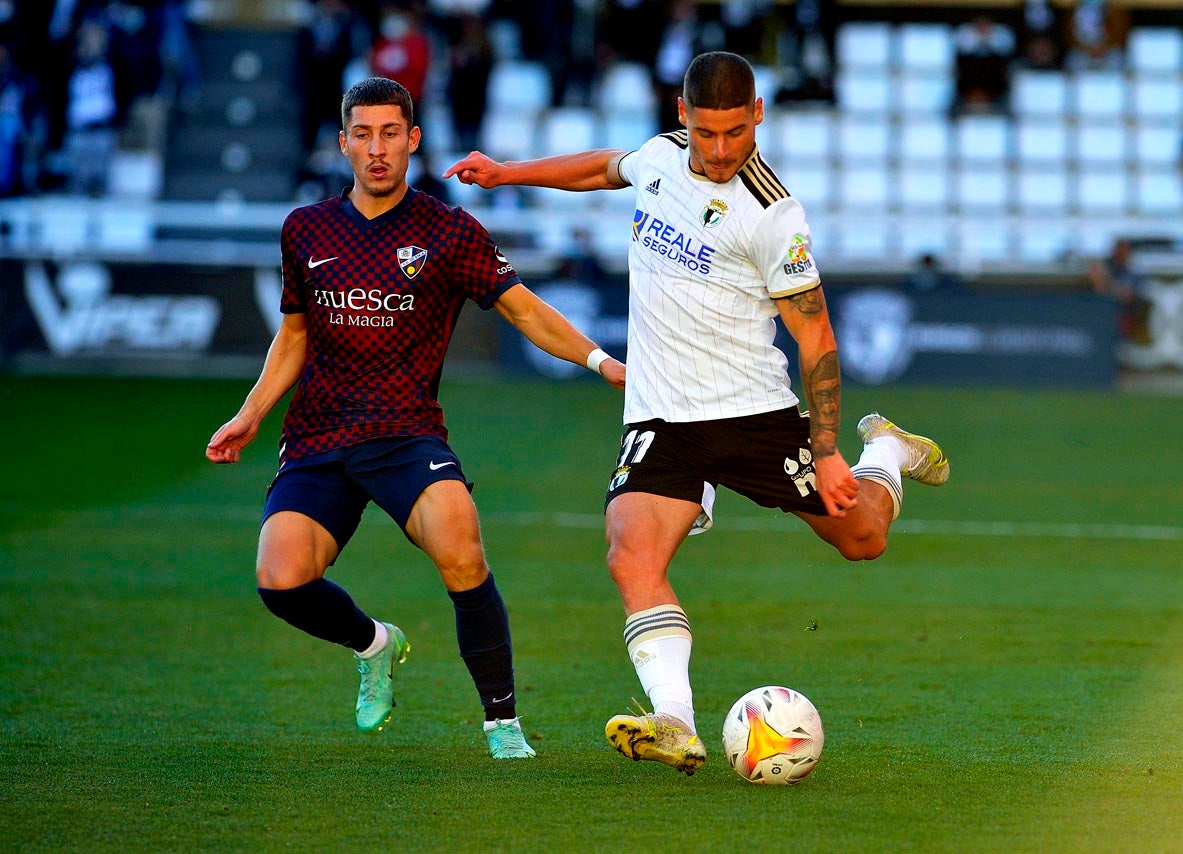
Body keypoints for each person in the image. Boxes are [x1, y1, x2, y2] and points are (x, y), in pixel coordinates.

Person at [444, 51, 949, 776]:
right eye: (706, 133)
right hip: (660, 421)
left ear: (757, 117)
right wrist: (507, 172)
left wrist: (831, 448)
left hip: (753, 415)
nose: (718, 151)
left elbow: (816, 336)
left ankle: (887, 452)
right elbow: (601, 169)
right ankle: (673, 721)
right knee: (629, 554)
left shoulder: (773, 213)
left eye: (734, 134)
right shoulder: (659, 158)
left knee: (862, 537)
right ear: (682, 116)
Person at [206, 76, 625, 760]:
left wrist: (600, 360)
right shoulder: (304, 229)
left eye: (390, 134)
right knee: (280, 581)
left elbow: (523, 310)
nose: (377, 149)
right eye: (363, 134)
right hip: (319, 434)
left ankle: (502, 723)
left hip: (406, 433)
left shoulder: (448, 230)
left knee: (463, 552)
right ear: (343, 143)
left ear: (413, 141)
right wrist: (249, 413)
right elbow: (293, 335)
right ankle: (375, 644)